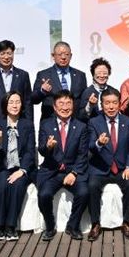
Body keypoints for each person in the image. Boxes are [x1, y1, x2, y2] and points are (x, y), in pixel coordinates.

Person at [87, 88, 129, 241]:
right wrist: (99, 143)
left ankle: (127, 223)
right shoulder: (94, 122)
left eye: (114, 103)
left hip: (122, 168)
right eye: (107, 103)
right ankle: (95, 224)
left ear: (119, 104)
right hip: (100, 168)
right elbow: (90, 146)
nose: (111, 107)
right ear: (101, 104)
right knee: (91, 186)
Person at [37, 91, 89, 241]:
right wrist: (48, 147)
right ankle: (50, 226)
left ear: (73, 105)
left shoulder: (81, 126)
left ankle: (73, 225)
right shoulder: (46, 124)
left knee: (84, 192)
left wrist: (74, 173)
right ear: (54, 107)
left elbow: (83, 154)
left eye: (68, 103)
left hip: (72, 171)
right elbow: (41, 150)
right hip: (52, 171)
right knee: (44, 195)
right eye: (61, 103)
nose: (65, 107)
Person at [0, 92, 37, 241]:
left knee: (18, 185)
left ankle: (11, 226)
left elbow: (30, 151)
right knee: (2, 185)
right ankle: (0, 225)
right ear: (5, 105)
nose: (15, 105)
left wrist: (22, 171)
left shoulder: (27, 124)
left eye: (18, 102)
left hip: (21, 167)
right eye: (11, 102)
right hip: (3, 167)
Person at [31, 41, 88, 121]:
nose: (63, 57)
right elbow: (33, 99)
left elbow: (83, 101)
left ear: (71, 56)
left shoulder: (80, 75)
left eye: (67, 54)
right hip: (50, 122)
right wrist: (42, 91)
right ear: (53, 56)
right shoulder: (43, 75)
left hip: (74, 122)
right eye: (60, 54)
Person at [0, 40, 33, 120]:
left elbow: (28, 102)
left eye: (9, 53)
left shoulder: (23, 75)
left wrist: (29, 123)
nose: (6, 57)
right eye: (2, 54)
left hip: (18, 120)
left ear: (13, 54)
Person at [77, 57, 117, 123]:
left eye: (105, 73)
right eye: (99, 73)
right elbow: (81, 116)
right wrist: (89, 105)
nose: (102, 76)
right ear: (93, 74)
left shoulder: (113, 91)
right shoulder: (87, 92)